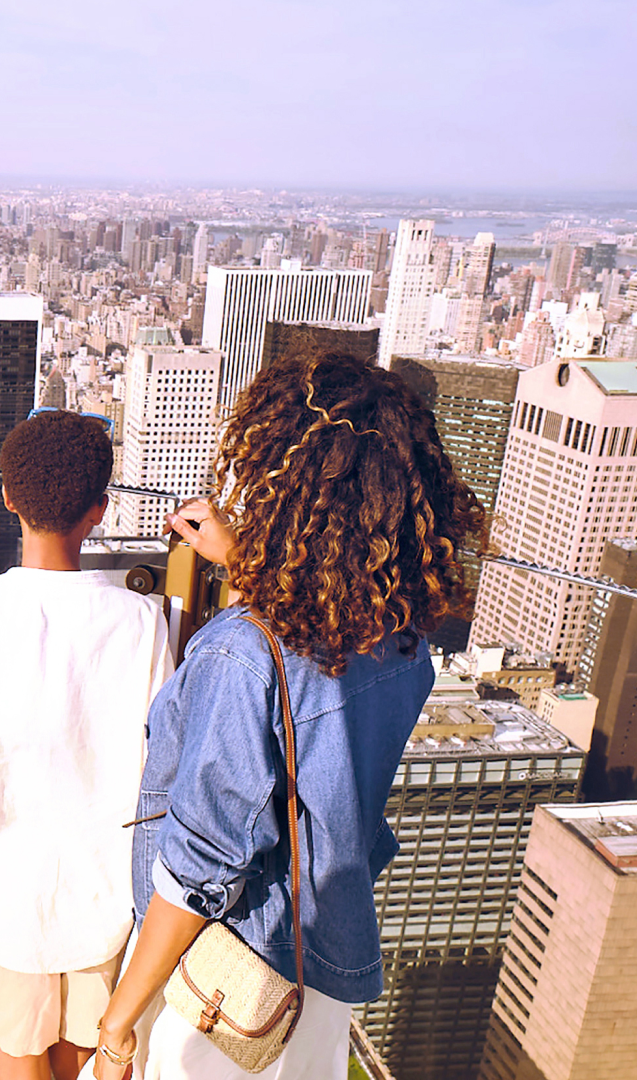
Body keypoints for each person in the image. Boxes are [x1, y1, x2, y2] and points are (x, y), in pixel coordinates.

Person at [90, 345, 486, 1080]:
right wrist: (247, 566)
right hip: (322, 964)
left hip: (230, 984)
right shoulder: (401, 634)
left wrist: (117, 1025)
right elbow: (315, 690)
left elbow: (202, 866)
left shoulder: (239, 655)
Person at [0, 411, 177, 1080]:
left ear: (9, 499)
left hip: (2, 902)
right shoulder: (145, 624)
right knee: (96, 1053)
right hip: (108, 899)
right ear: (100, 510)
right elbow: (165, 770)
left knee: (18, 1059)